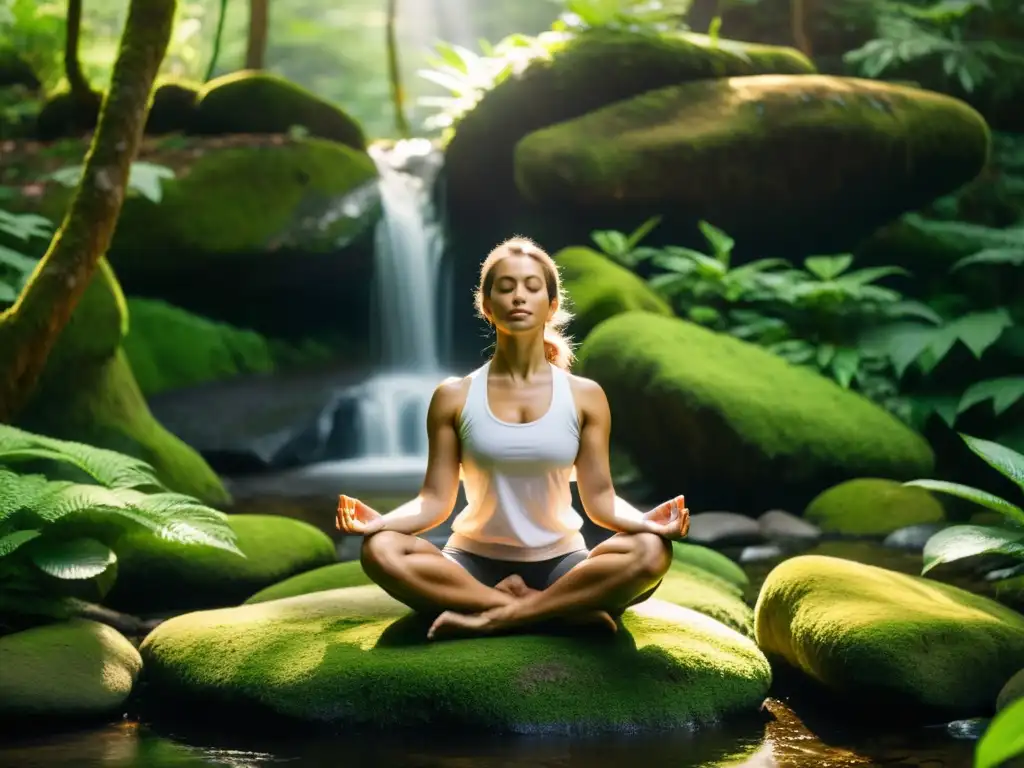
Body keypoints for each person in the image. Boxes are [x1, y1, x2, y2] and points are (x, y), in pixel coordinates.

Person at [336, 236, 689, 641]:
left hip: (561, 562)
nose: (518, 297)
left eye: (531, 287)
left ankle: (492, 617)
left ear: (551, 305)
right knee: (380, 550)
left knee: (651, 551)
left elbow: (601, 500)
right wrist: (381, 523)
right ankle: (557, 611)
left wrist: (647, 522)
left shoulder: (584, 396)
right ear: (486, 305)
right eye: (505, 287)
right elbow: (434, 501)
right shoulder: (453, 396)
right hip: (471, 563)